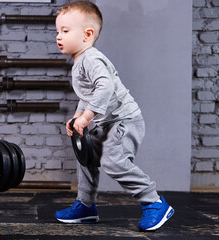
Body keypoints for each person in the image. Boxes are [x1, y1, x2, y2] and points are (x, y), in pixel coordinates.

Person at [54, 1, 174, 231]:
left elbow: (105, 88)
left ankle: (155, 202)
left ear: (87, 34)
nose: (59, 36)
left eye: (65, 31)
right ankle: (85, 206)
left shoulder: (91, 58)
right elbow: (89, 94)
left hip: (123, 121)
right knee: (86, 157)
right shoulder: (80, 61)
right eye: (57, 31)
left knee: (114, 162)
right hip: (106, 121)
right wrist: (78, 116)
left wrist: (87, 117)